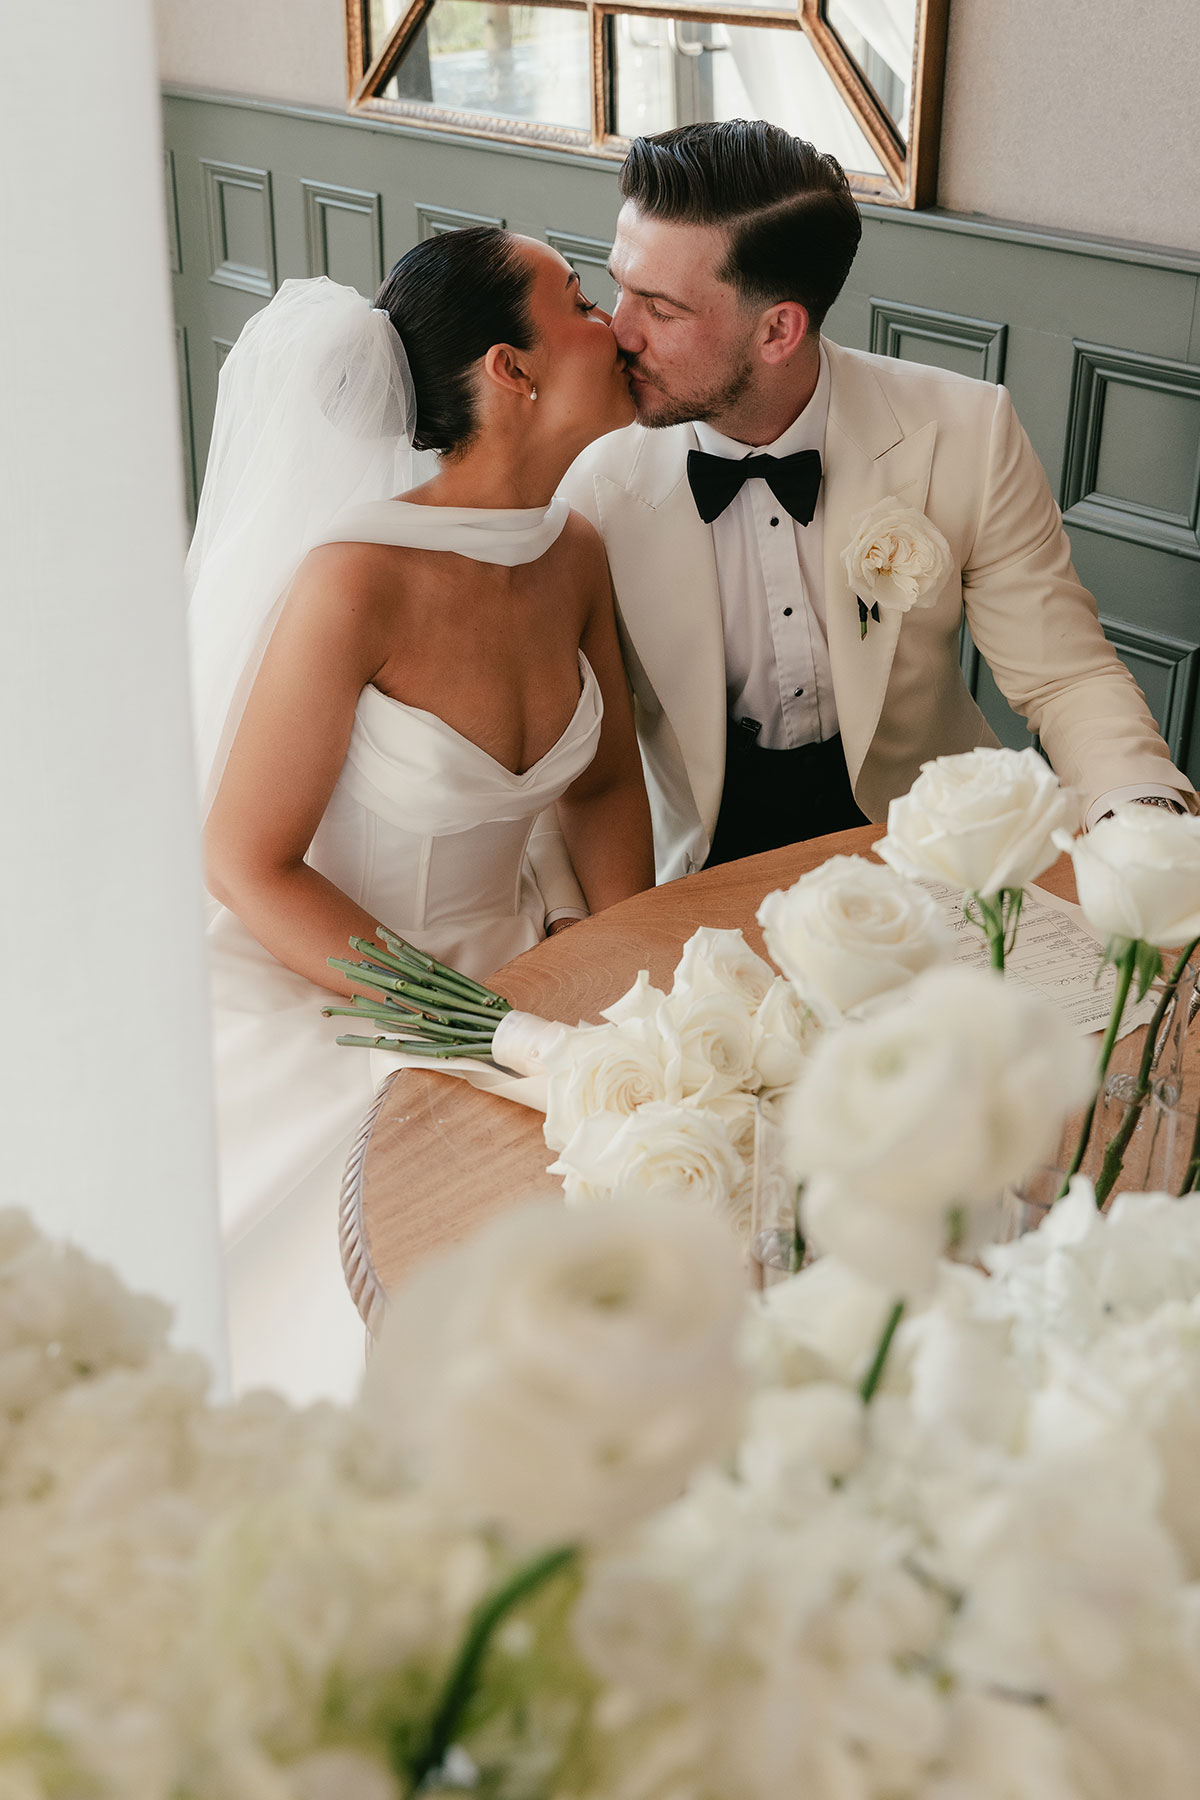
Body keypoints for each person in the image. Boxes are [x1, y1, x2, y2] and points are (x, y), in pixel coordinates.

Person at [191, 230, 654, 1404]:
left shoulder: (576, 554)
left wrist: (644, 981)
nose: (617, 323)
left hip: (529, 979)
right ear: (514, 368)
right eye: (581, 302)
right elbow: (247, 863)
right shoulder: (357, 579)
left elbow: (601, 784)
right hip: (342, 991)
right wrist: (469, 1027)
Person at [557, 120, 1194, 883]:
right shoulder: (586, 473)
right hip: (695, 857)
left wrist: (1148, 834)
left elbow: (1066, 678)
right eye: (618, 284)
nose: (617, 331)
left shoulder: (968, 430)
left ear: (778, 330)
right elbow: (555, 747)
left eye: (659, 309)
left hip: (933, 839)